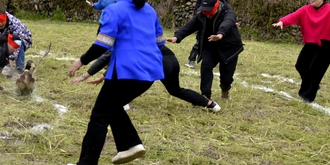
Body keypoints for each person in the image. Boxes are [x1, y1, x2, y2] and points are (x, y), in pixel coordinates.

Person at [65, 0, 164, 165]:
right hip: (150, 73)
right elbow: (159, 41)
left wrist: (81, 61)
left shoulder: (114, 10)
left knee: (100, 115)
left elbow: (103, 45)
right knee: (113, 107)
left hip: (126, 72)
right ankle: (130, 144)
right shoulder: (150, 10)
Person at [272, 0, 330, 103]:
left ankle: (309, 96)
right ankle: (311, 84)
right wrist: (282, 22)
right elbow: (294, 16)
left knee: (315, 69)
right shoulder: (306, 9)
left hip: (326, 44)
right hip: (311, 43)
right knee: (300, 65)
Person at [72, 47, 221, 112]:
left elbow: (108, 58)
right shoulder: (145, 32)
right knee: (176, 90)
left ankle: (122, 104)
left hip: (158, 64)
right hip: (172, 61)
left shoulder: (125, 38)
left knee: (134, 83)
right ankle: (210, 104)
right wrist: (102, 76)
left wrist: (87, 75)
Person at [169, 0, 244, 101]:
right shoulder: (201, 14)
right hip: (210, 45)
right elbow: (190, 26)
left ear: (216, 7)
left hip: (229, 46)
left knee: (227, 75)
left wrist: (220, 35)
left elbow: (227, 23)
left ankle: (225, 89)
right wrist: (177, 37)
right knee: (206, 66)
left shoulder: (227, 12)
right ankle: (205, 95)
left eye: (209, 12)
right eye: (205, 12)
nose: (207, 14)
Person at [186, 0, 224, 68]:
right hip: (204, 25)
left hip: (216, 25)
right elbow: (197, 12)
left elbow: (226, 11)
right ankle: (191, 59)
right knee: (200, 43)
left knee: (216, 43)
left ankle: (214, 60)